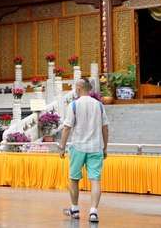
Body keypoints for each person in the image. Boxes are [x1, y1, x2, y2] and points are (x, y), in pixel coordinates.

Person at [59, 78, 109, 224]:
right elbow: (105, 128)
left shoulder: (73, 105)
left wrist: (62, 146)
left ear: (80, 88)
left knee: (74, 178)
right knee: (95, 180)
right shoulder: (99, 105)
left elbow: (67, 127)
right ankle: (93, 212)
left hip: (78, 147)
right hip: (95, 147)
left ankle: (74, 209)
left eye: (76, 86)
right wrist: (105, 147)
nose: (75, 89)